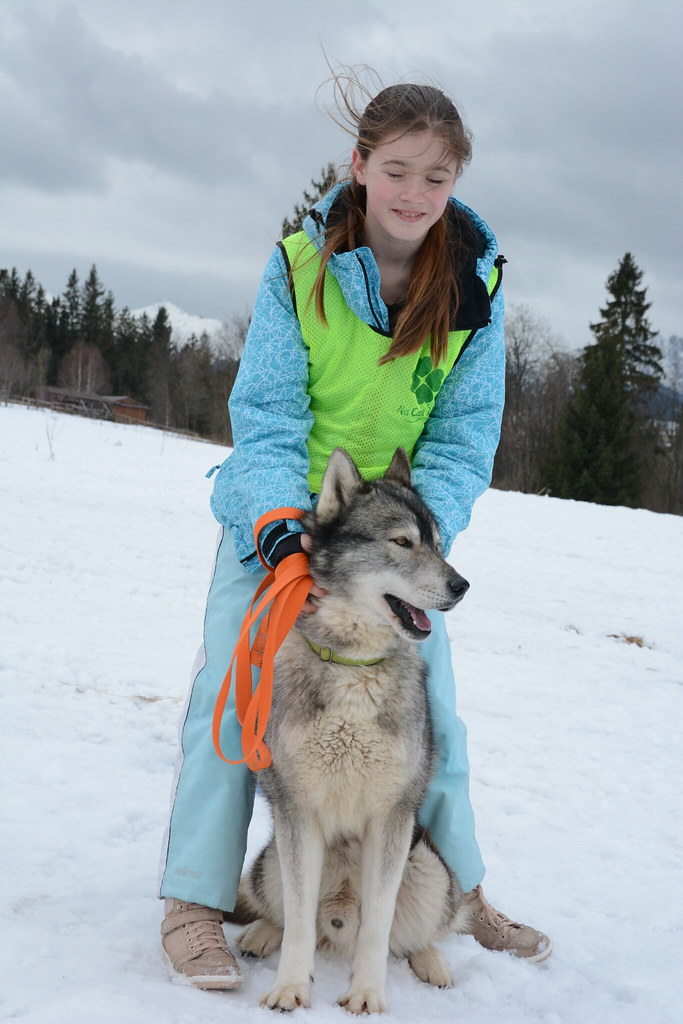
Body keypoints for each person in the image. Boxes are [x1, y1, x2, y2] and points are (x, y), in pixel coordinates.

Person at [158, 75, 552, 990]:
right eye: (398, 170)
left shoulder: (475, 288)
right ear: (360, 167)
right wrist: (276, 529)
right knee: (233, 689)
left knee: (431, 717)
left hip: (392, 541)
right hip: (284, 518)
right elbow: (265, 412)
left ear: (456, 183)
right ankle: (193, 901)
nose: (415, 195)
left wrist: (418, 529)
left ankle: (458, 893)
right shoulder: (298, 267)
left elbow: (461, 436)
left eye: (437, 178)